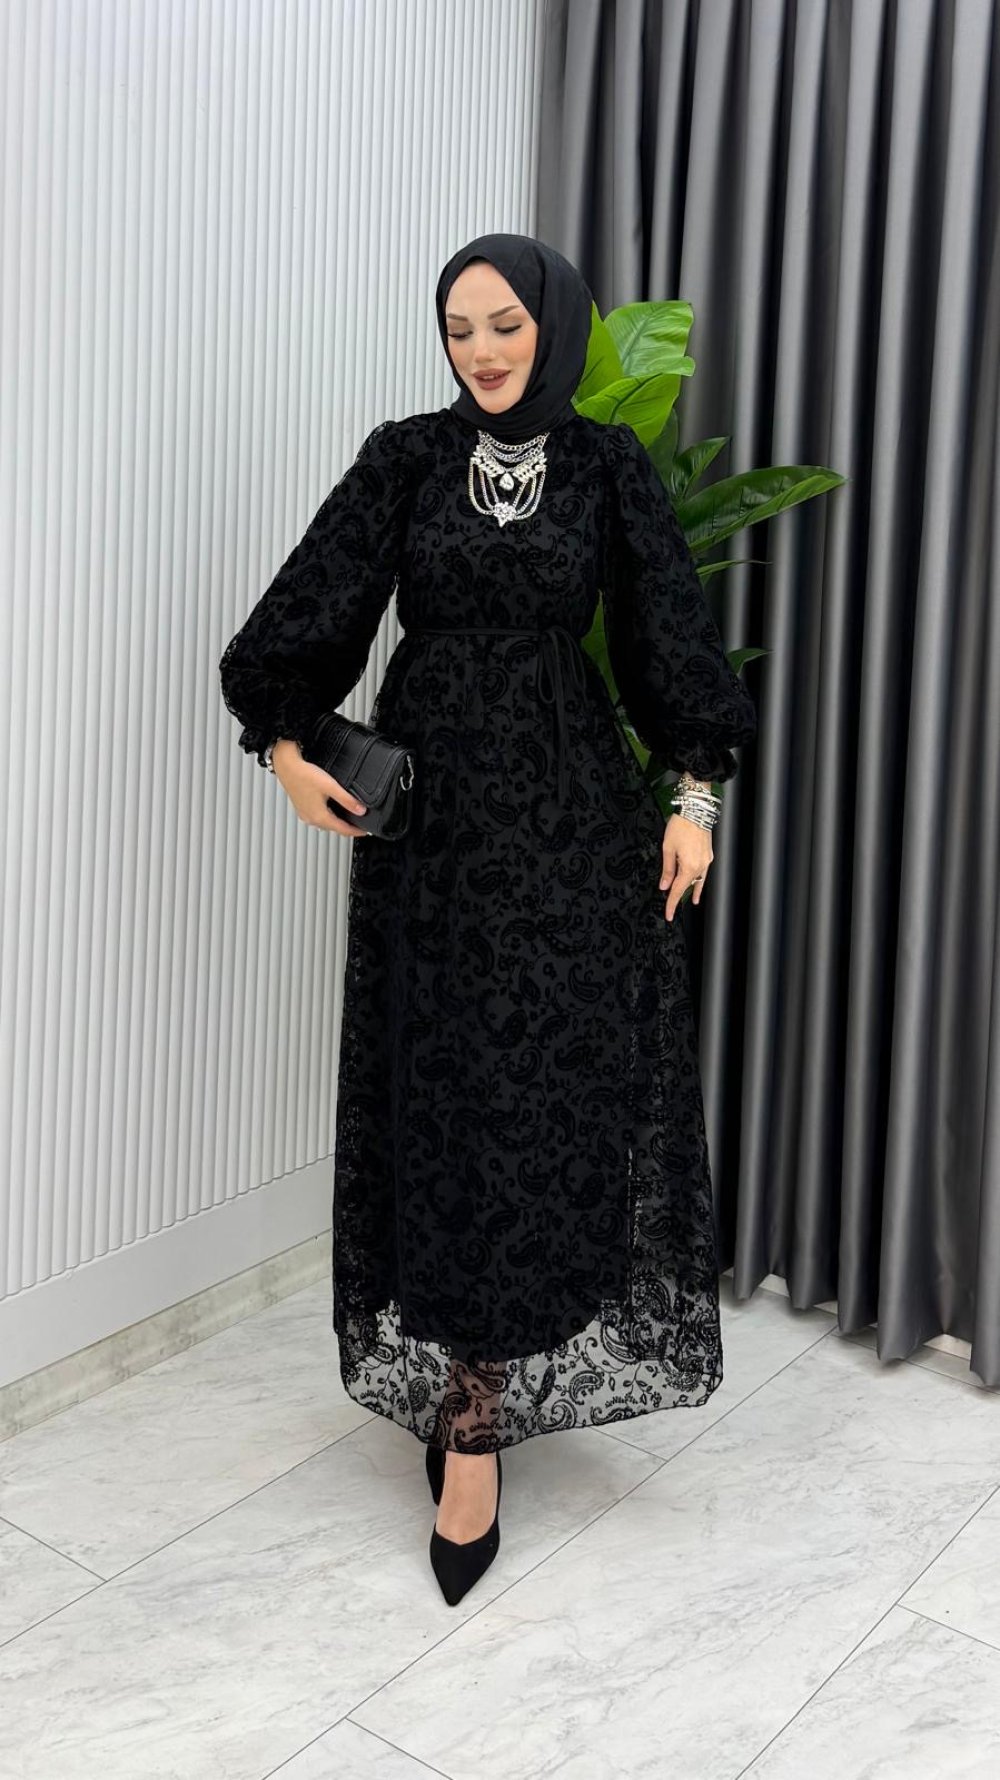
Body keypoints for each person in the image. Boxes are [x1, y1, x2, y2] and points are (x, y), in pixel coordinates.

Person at [218, 231, 757, 1606]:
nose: (483, 350)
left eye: (506, 322)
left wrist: (693, 798)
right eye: (459, 328)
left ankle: (489, 1383)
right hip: (437, 846)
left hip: (574, 833)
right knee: (450, 1101)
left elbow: (670, 645)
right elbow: (304, 619)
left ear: (552, 324)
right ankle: (471, 1423)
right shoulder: (404, 459)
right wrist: (284, 750)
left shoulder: (608, 466)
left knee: (544, 1100)